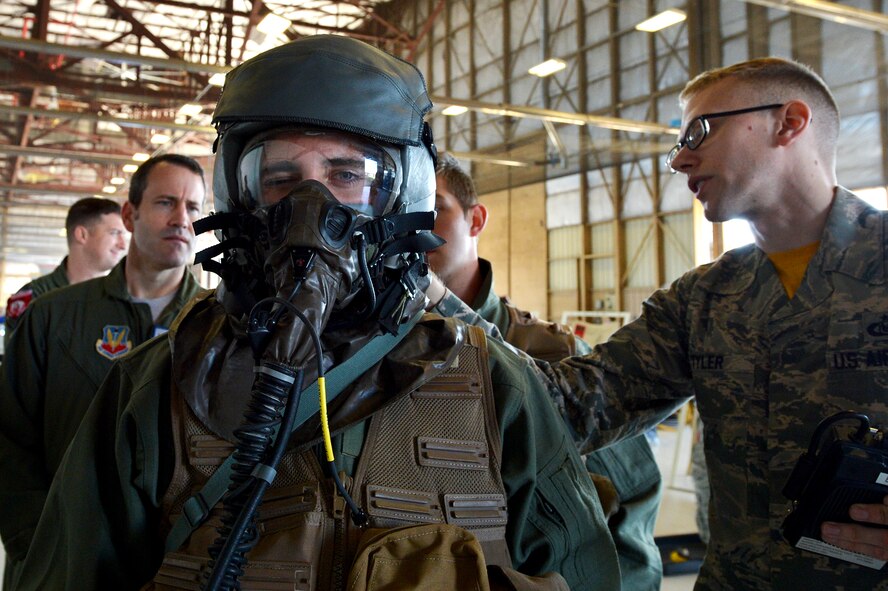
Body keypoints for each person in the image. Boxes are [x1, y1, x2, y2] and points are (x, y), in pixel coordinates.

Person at [14, 36, 619, 591]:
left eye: (346, 175)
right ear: (241, 195)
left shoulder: (494, 385)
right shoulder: (157, 385)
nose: (311, 205)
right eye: (280, 178)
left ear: (400, 195)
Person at [527, 57, 888, 589]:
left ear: (789, 122)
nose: (680, 161)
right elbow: (574, 404)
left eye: (699, 130)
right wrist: (436, 309)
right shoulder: (701, 299)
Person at [428, 153, 664, 590]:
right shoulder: (377, 354)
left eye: (435, 206)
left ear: (475, 219)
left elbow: (631, 506)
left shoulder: (556, 356)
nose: (416, 225)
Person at [0, 153, 206, 587]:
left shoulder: (218, 330)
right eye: (166, 202)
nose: (182, 219)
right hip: (57, 560)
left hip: (171, 566)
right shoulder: (52, 318)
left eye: (193, 208)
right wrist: (35, 538)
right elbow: (9, 437)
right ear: (129, 215)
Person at [4, 197, 127, 346]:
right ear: (82, 235)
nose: (122, 245)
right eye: (114, 233)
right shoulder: (34, 298)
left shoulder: (123, 298)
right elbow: (19, 365)